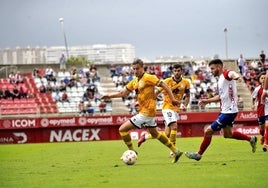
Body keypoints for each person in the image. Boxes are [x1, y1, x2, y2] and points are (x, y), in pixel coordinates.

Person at [101, 58, 183, 163]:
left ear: (142, 68)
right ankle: (175, 151)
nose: (135, 71)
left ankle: (132, 151)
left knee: (122, 129)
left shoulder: (149, 77)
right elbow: (123, 93)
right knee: (155, 134)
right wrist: (109, 96)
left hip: (146, 113)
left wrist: (172, 99)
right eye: (134, 69)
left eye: (137, 69)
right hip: (147, 112)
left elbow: (165, 85)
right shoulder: (134, 81)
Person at [185, 59, 257, 161]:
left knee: (208, 131)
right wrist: (208, 100)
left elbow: (232, 73)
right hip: (226, 111)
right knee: (228, 134)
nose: (211, 71)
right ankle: (251, 139)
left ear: (219, 67)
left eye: (212, 68)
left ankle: (199, 154)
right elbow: (221, 96)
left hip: (229, 112)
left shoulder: (226, 74)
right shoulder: (220, 80)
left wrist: (236, 76)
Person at [137, 64, 190, 158]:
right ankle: (173, 151)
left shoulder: (186, 82)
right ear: (172, 71)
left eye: (178, 70)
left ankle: (145, 136)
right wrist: (148, 102)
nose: (176, 72)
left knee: (166, 134)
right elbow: (156, 92)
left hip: (176, 109)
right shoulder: (167, 81)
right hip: (167, 107)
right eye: (175, 71)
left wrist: (185, 105)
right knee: (174, 126)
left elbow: (188, 96)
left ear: (182, 71)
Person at [251, 72, 266, 150]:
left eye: (264, 78)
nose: (263, 79)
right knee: (262, 129)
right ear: (259, 80)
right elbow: (253, 98)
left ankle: (266, 141)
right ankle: (263, 137)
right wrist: (253, 104)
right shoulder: (257, 89)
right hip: (261, 110)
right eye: (262, 78)